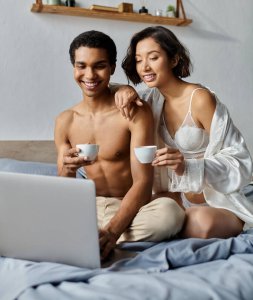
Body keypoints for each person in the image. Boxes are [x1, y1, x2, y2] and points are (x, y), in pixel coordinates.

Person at [54, 30, 185, 260]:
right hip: (88, 207)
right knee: (37, 211)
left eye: (99, 66)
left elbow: (144, 182)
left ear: (113, 67)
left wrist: (113, 231)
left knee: (170, 214)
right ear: (73, 67)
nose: (89, 74)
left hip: (130, 208)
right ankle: (90, 234)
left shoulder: (134, 111)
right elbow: (66, 189)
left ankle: (89, 237)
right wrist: (67, 169)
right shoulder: (65, 121)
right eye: (81, 66)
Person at [114, 25, 253, 238]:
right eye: (139, 60)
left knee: (199, 223)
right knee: (122, 210)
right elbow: (102, 89)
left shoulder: (199, 99)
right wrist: (125, 89)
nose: (145, 67)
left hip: (213, 201)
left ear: (174, 59)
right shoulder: (149, 101)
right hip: (172, 199)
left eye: (153, 57)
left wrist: (187, 165)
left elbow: (240, 160)